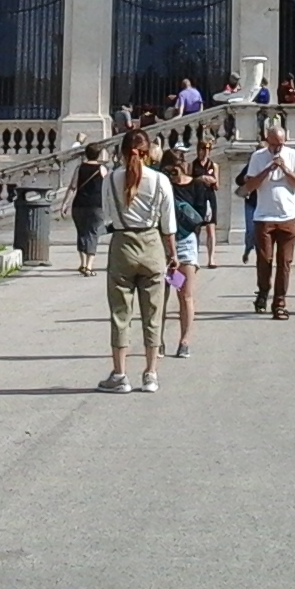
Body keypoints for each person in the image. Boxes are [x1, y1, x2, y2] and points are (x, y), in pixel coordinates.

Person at [98, 129, 178, 393]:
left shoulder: (110, 180)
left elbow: (107, 217)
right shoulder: (160, 180)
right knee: (153, 312)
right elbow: (168, 223)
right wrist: (173, 254)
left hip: (122, 243)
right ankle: (151, 373)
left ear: (122, 152)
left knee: (120, 313)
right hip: (152, 243)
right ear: (148, 153)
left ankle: (120, 374)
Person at [241, 123, 295, 319]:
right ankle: (263, 291)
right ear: (267, 141)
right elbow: (249, 186)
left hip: (288, 216)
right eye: (273, 144)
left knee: (284, 262)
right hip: (264, 217)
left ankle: (279, 302)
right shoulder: (258, 156)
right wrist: (267, 169)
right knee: (265, 260)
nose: (277, 148)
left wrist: (285, 168)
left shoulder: (293, 155)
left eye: (280, 144)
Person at [163, 150, 203, 358]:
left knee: (185, 294)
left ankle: (185, 340)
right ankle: (157, 340)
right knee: (159, 297)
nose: (175, 171)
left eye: (178, 166)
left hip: (185, 241)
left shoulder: (196, 185)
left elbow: (201, 216)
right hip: (162, 242)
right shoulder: (161, 184)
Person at [61, 142, 107, 277]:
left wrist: (65, 203)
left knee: (81, 233)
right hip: (96, 205)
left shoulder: (79, 168)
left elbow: (72, 187)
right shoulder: (102, 169)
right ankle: (89, 266)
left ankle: (82, 263)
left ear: (86, 154)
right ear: (99, 154)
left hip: (79, 204)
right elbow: (107, 188)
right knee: (93, 233)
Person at [186, 138, 221, 267]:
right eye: (203, 149)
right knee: (196, 229)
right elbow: (188, 182)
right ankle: (194, 257)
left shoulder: (213, 165)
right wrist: (200, 179)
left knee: (211, 229)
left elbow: (217, 186)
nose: (205, 152)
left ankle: (211, 259)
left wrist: (212, 180)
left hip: (209, 198)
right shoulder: (192, 165)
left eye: (208, 149)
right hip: (197, 198)